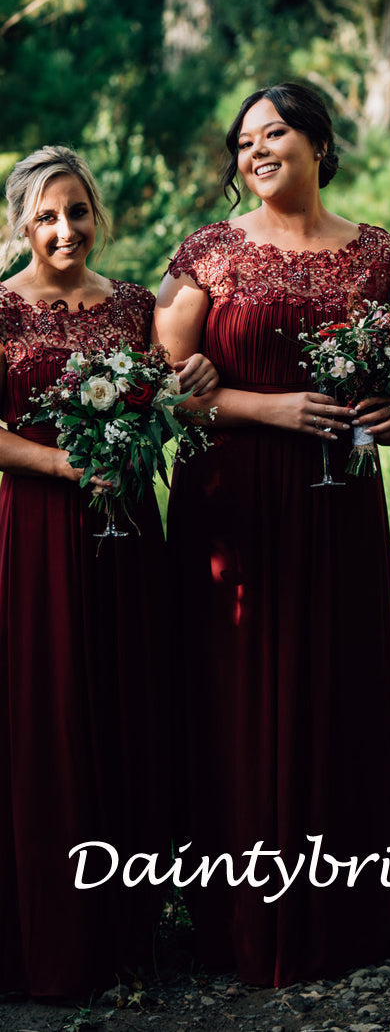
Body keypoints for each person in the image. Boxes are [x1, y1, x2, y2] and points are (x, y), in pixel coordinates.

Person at [154, 82, 390, 986]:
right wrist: (268, 406)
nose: (254, 149)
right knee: (237, 694)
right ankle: (239, 918)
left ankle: (349, 911)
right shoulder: (207, 255)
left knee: (336, 676)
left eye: (273, 132)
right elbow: (166, 388)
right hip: (233, 497)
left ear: (318, 142)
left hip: (338, 495)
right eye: (242, 140)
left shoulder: (380, 254)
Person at [0, 145, 215, 998]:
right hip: (36, 533)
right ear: (21, 221)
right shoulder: (1, 311)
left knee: (125, 704)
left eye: (78, 212)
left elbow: (174, 398)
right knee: (43, 710)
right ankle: (40, 929)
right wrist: (55, 468)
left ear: (99, 216)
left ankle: (126, 926)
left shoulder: (132, 306)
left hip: (127, 529)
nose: (65, 230)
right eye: (47, 216)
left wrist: (191, 378)